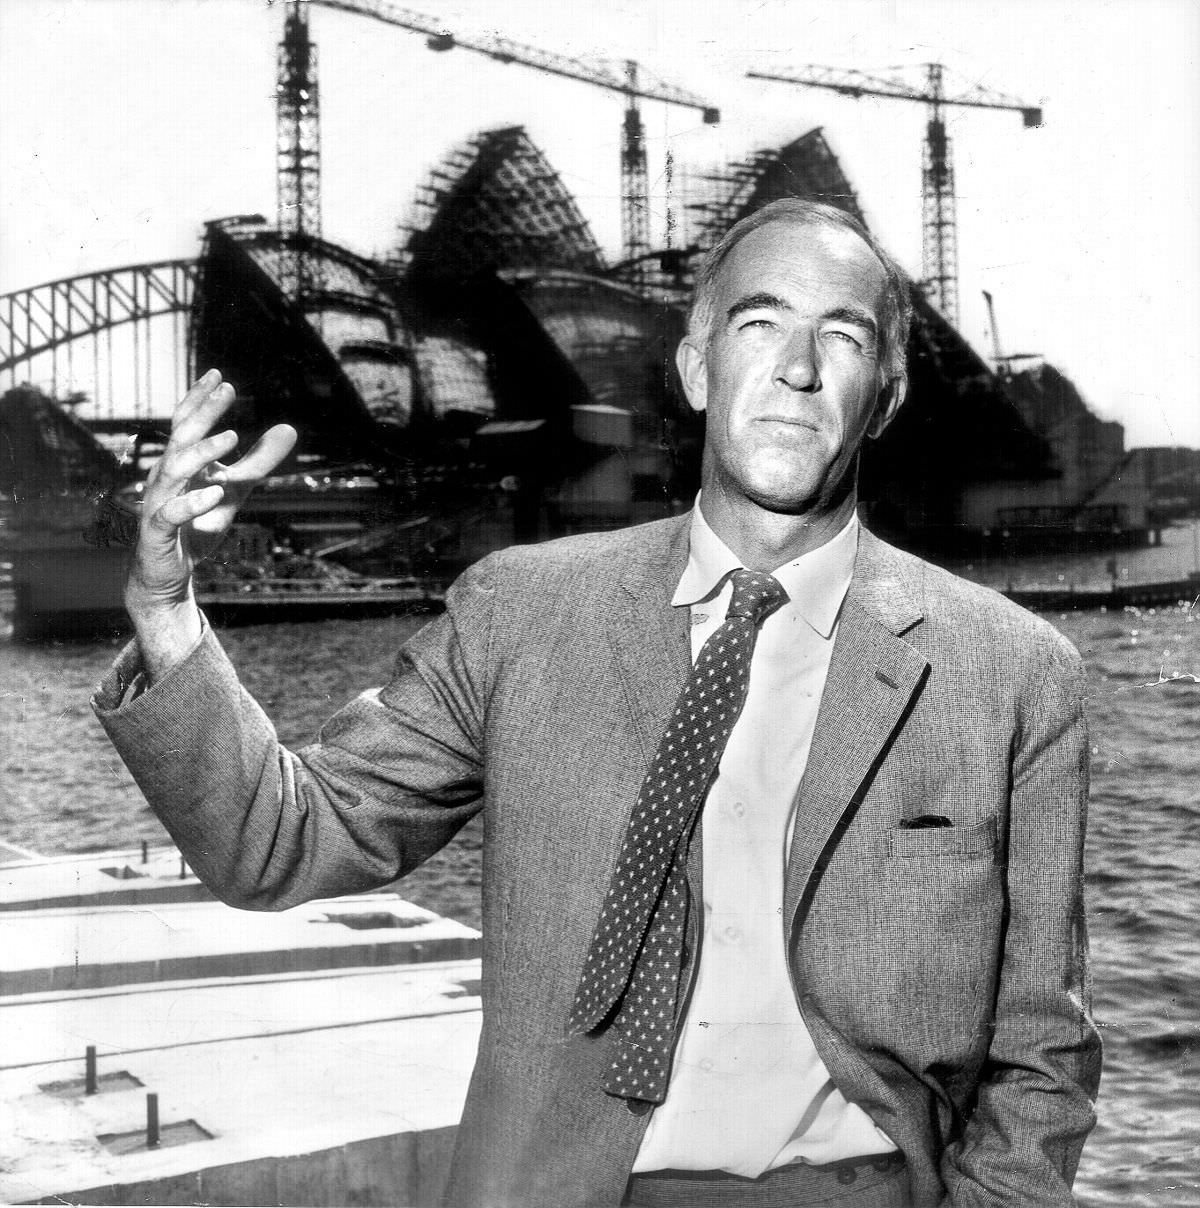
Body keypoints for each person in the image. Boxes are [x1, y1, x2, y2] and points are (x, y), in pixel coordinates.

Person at [94, 199, 1101, 1208]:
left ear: (884, 392)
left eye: (841, 335)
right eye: (761, 323)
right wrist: (167, 604)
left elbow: (1041, 1053)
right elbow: (278, 838)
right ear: (698, 366)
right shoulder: (519, 612)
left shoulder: (1012, 677)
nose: (797, 366)